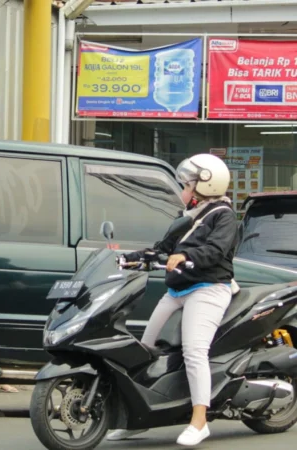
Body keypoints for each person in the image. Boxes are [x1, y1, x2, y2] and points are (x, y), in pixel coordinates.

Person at [107, 154, 238, 447]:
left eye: (188, 183)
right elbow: (161, 249)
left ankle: (199, 420)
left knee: (194, 351)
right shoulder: (188, 217)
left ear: (205, 185)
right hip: (177, 291)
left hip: (208, 289)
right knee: (144, 349)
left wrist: (186, 256)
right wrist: (134, 258)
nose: (184, 188)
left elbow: (216, 251)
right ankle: (135, 419)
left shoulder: (223, 216)